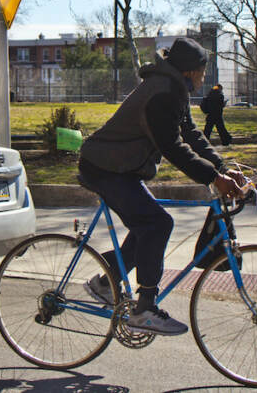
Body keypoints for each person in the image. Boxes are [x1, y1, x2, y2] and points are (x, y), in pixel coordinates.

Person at [78, 37, 246, 336]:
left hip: (121, 168)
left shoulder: (173, 89)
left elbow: (190, 134)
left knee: (148, 226)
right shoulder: (162, 94)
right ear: (188, 71)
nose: (204, 76)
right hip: (104, 168)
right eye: (201, 70)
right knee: (157, 224)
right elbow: (172, 147)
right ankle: (145, 309)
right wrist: (213, 178)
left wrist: (221, 167)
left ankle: (104, 282)